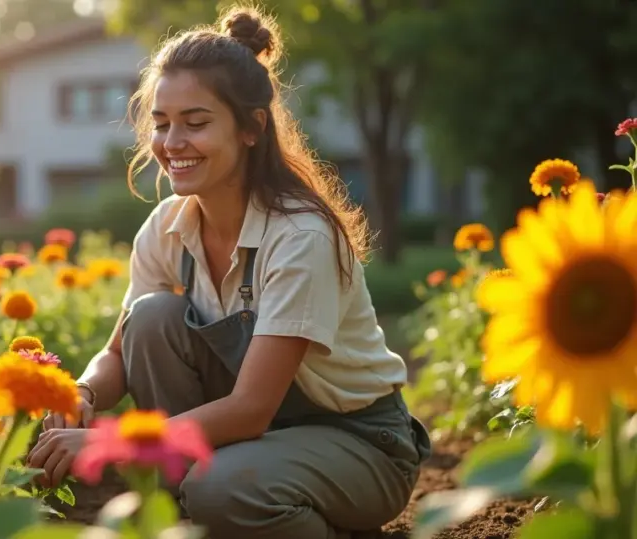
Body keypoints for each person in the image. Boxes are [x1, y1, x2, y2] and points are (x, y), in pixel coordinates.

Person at [26, 5, 432, 538]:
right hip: (255, 439)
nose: (172, 144)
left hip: (359, 444)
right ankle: (202, 513)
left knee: (222, 488)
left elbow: (251, 408)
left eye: (196, 124)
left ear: (251, 128)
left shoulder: (299, 236)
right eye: (162, 123)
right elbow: (120, 352)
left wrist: (111, 441)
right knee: (150, 319)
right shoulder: (168, 225)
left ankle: (279, 515)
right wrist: (78, 395)